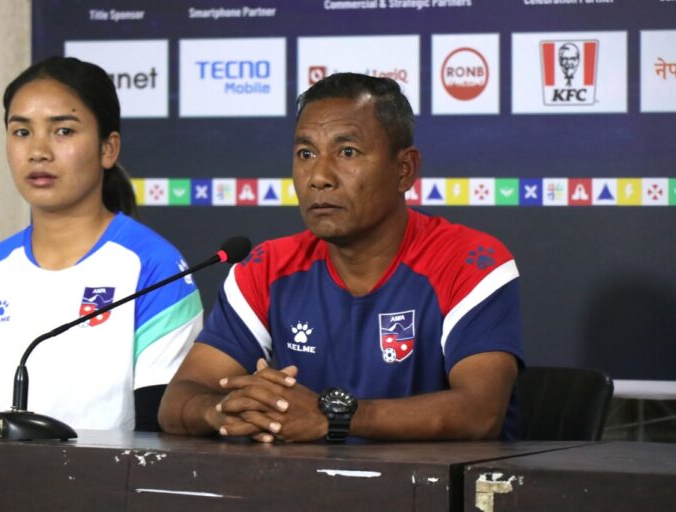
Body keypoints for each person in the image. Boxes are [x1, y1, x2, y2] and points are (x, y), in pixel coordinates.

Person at [159, 72, 523, 443]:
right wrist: (224, 410)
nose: (319, 177)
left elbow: (480, 412)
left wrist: (333, 415)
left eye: (347, 152)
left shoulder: (470, 262)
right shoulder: (266, 268)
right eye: (306, 154)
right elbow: (179, 400)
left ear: (405, 170)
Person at [0, 57, 202, 432]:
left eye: (63, 131)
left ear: (108, 148)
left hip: (118, 473)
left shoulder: (154, 267)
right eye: (21, 132)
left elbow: (160, 437)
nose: (38, 151)